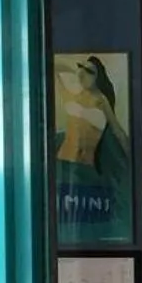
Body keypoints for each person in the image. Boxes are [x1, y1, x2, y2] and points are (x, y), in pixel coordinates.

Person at [56, 56, 130, 239]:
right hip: (64, 165)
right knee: (64, 221)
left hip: (87, 169)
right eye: (82, 68)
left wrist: (133, 158)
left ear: (98, 77)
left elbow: (117, 130)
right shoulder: (73, 94)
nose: (83, 73)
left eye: (90, 71)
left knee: (87, 224)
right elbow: (56, 69)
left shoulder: (101, 101)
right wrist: (74, 69)